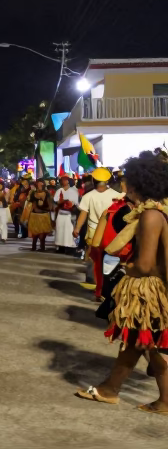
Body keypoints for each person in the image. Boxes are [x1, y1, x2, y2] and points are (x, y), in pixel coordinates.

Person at [74, 151, 168, 413]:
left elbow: (145, 264)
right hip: (156, 286)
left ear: (140, 183)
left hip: (147, 287)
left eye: (128, 182)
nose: (124, 187)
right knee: (142, 341)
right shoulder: (159, 211)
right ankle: (148, 397)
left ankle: (110, 390)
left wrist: (128, 267)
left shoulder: (150, 216)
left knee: (140, 340)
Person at [75, 167, 125, 301]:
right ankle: (110, 290)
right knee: (112, 262)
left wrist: (77, 229)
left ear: (93, 180)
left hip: (93, 234)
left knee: (97, 263)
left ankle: (99, 291)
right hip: (111, 233)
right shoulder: (118, 196)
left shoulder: (88, 196)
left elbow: (83, 215)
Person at [21, 178, 55, 252]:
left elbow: (50, 205)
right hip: (34, 215)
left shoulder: (47, 193)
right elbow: (30, 203)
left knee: (43, 232)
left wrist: (48, 209)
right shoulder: (32, 193)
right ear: (36, 184)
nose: (40, 185)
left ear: (43, 184)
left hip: (44, 214)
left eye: (41, 183)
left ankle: (42, 247)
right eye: (38, 183)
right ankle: (34, 246)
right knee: (34, 232)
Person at [53, 174, 80, 254]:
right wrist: (63, 201)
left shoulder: (73, 191)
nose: (64, 181)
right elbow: (56, 201)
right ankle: (60, 247)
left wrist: (70, 204)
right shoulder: (59, 190)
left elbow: (76, 203)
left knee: (69, 231)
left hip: (69, 214)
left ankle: (70, 247)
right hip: (61, 213)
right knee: (60, 230)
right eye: (62, 180)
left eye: (65, 180)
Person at [9, 174, 31, 239]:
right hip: (18, 205)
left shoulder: (31, 188)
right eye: (23, 180)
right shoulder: (17, 188)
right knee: (17, 218)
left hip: (27, 205)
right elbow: (14, 196)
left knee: (25, 220)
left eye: (26, 180)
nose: (24, 182)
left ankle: (25, 233)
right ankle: (18, 231)